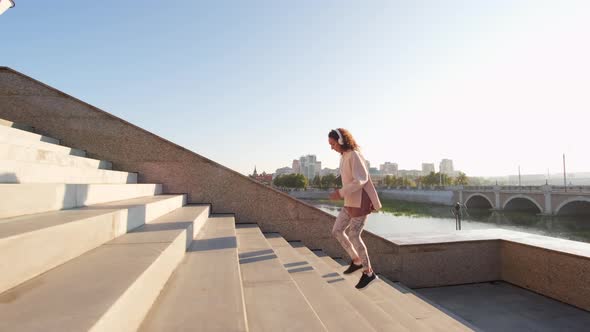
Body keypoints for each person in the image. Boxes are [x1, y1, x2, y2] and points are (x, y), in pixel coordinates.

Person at [328, 128, 382, 289]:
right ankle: (356, 260)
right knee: (337, 230)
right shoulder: (344, 156)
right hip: (350, 201)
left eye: (332, 143)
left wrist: (340, 192)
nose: (331, 147)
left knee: (354, 235)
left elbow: (360, 180)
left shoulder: (354, 155)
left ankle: (369, 273)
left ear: (341, 141)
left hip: (360, 201)